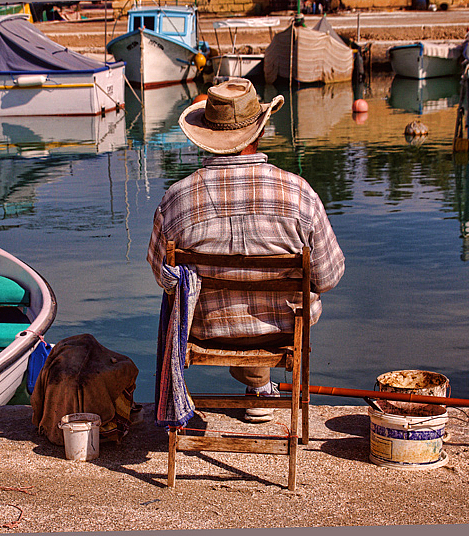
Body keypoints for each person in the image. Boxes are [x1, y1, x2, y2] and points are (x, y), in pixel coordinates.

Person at [146, 78, 345, 423]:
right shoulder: (300, 194)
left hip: (206, 331)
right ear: (260, 132)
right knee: (301, 297)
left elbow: (163, 277)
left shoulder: (175, 199)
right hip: (282, 331)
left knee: (179, 296)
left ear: (206, 136)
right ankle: (260, 387)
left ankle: (253, 385)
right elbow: (327, 278)